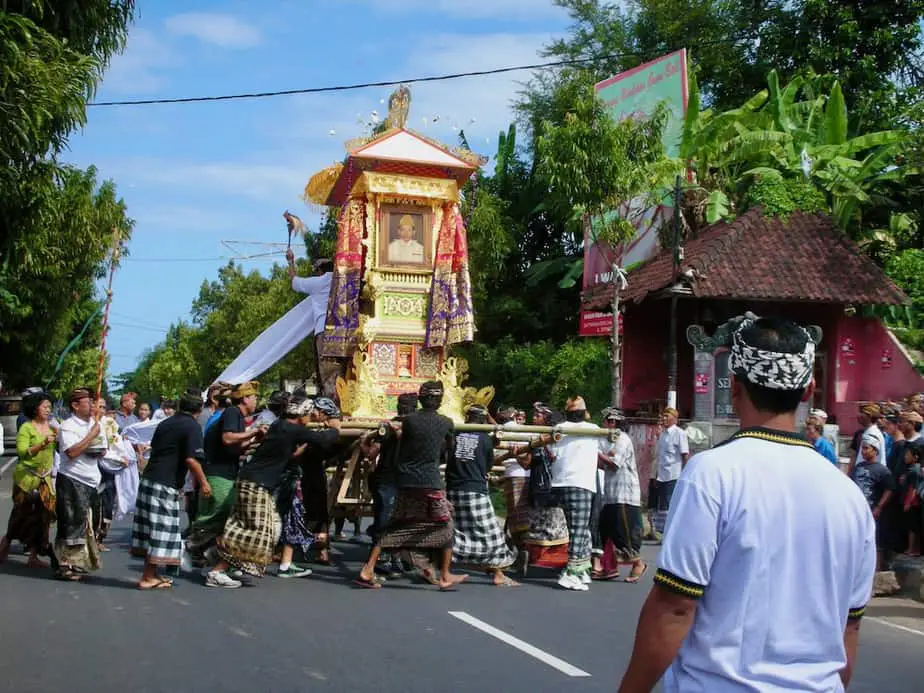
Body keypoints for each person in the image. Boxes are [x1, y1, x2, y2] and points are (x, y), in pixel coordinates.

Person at [617, 316, 876, 693]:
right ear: (809, 390)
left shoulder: (712, 473)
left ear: (735, 386)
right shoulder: (850, 496)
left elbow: (675, 606)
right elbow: (849, 626)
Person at [207, 395, 340, 588]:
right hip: (256, 484)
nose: (310, 419)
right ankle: (217, 569)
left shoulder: (280, 425)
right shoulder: (291, 428)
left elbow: (294, 451)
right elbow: (322, 438)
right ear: (301, 415)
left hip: (251, 481)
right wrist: (336, 428)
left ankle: (222, 559)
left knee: (252, 527)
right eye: (308, 415)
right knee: (258, 531)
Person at [356, 381, 467, 591]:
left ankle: (369, 568)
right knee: (447, 525)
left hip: (404, 481)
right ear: (440, 399)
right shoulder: (446, 423)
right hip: (430, 481)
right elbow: (448, 449)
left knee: (395, 525)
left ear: (421, 398)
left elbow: (401, 439)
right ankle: (444, 574)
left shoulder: (408, 422)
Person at [131, 390, 209, 589]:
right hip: (164, 483)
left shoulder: (166, 423)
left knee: (153, 529)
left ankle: (152, 574)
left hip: (150, 478)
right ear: (199, 409)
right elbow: (191, 458)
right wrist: (204, 483)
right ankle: (148, 577)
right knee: (162, 529)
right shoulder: (192, 427)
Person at [186, 381, 264, 567]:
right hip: (217, 473)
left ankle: (207, 555)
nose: (255, 401)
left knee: (224, 516)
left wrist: (255, 439)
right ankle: (190, 547)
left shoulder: (236, 417)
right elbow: (228, 438)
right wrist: (253, 431)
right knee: (215, 514)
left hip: (227, 471)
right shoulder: (232, 412)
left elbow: (236, 448)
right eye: (254, 397)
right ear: (245, 398)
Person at [446, 405, 518, 587]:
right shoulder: (485, 439)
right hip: (474, 489)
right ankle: (498, 573)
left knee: (459, 529)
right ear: (484, 420)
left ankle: (448, 559)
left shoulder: (455, 434)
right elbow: (487, 467)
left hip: (453, 489)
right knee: (492, 533)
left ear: (467, 417)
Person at [547, 395, 601, 591]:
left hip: (560, 482)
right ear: (584, 413)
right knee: (579, 529)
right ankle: (571, 572)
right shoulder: (594, 429)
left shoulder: (558, 429)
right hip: (581, 482)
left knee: (577, 528)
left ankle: (581, 569)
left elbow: (551, 452)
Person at [0, 391, 57, 568]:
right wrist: (42, 444)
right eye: (45, 406)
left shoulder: (53, 426)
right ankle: (5, 545)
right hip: (26, 479)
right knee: (20, 515)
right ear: (35, 408)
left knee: (43, 517)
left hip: (45, 479)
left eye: (50, 407)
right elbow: (23, 452)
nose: (48, 410)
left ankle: (33, 555)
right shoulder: (27, 427)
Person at [53, 388, 104, 582]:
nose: (92, 406)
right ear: (75, 406)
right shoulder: (67, 426)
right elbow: (71, 453)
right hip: (72, 479)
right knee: (71, 520)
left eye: (92, 402)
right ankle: (64, 564)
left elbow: (101, 451)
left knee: (88, 522)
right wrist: (91, 436)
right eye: (88, 402)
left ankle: (78, 561)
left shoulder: (94, 424)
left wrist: (96, 442)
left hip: (91, 479)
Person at [365, 393, 418, 578]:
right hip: (409, 480)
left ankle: (388, 557)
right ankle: (393, 558)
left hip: (388, 480)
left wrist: (364, 443)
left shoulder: (387, 426)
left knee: (385, 518)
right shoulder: (419, 428)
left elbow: (371, 454)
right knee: (401, 520)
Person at [595, 407, 646, 583]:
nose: (604, 425)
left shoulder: (623, 439)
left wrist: (597, 454)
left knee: (622, 534)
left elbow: (614, 463)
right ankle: (606, 567)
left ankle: (638, 563)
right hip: (610, 493)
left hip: (624, 494)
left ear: (613, 423)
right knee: (605, 531)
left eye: (606, 421)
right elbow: (603, 465)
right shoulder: (609, 441)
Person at [521, 405, 571, 575]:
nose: (534, 417)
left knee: (555, 527)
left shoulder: (558, 437)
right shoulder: (535, 439)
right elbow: (526, 464)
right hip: (540, 485)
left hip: (553, 485)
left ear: (547, 419)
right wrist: (518, 453)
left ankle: (555, 560)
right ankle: (536, 559)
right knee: (539, 526)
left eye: (538, 415)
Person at [286, 251, 339, 398]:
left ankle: (330, 404)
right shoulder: (342, 280)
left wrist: (291, 261)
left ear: (320, 270)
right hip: (343, 331)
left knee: (326, 372)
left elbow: (295, 282)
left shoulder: (319, 281)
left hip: (323, 330)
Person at [850, 433, 896, 571]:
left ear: (875, 450)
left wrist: (879, 507)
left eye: (866, 448)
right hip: (858, 510)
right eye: (862, 448)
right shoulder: (858, 467)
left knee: (876, 542)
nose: (863, 451)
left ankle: (877, 571)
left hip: (872, 510)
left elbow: (890, 489)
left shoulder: (882, 471)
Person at [653, 407, 689, 537]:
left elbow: (685, 455)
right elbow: (660, 457)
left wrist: (685, 474)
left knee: (670, 506)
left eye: (667, 416)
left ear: (674, 418)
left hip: (674, 475)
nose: (664, 419)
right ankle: (664, 533)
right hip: (662, 476)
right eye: (663, 416)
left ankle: (672, 534)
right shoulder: (662, 435)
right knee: (662, 507)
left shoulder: (680, 433)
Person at [849, 403, 886, 476]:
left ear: (869, 416)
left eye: (862, 414)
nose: (858, 416)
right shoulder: (869, 431)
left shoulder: (872, 434)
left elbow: (867, 457)